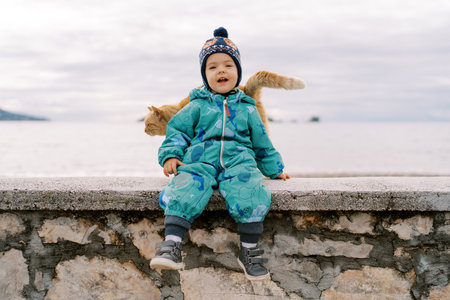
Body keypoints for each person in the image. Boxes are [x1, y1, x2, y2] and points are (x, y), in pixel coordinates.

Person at [150, 27, 290, 281]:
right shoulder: (196, 106)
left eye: (228, 65)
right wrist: (170, 156)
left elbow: (262, 143)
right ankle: (171, 245)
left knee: (250, 191)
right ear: (205, 76)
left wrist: (274, 168)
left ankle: (248, 251)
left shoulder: (247, 109)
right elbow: (177, 132)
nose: (221, 70)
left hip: (239, 161)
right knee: (184, 186)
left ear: (238, 73)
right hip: (199, 160)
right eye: (212, 67)